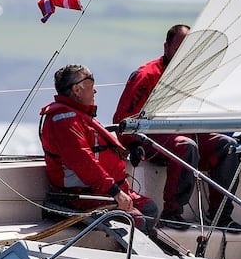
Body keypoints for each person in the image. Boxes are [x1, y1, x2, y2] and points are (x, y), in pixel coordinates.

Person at [114, 24, 241, 229]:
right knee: (186, 145)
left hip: (185, 134)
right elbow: (123, 119)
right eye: (178, 49)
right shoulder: (146, 75)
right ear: (166, 47)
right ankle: (171, 213)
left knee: (228, 145)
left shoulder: (195, 78)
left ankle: (220, 216)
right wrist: (132, 143)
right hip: (150, 139)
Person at [39, 64, 159, 233]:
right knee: (135, 221)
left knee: (149, 209)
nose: (95, 91)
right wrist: (115, 192)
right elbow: (84, 162)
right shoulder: (63, 120)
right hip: (79, 197)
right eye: (90, 84)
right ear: (77, 89)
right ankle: (124, 257)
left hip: (100, 193)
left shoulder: (79, 116)